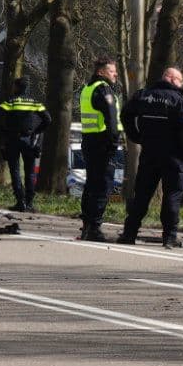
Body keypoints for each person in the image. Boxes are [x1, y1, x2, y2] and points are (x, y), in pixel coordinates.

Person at [119, 66, 183, 248]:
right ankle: (169, 237)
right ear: (171, 79)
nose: (181, 84)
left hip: (149, 153)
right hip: (173, 155)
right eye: (179, 80)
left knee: (142, 195)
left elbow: (125, 114)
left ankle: (130, 233)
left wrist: (135, 136)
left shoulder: (143, 95)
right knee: (173, 196)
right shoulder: (178, 101)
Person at [77, 58, 121, 242]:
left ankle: (87, 225)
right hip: (103, 143)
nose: (116, 74)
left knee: (91, 184)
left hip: (89, 140)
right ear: (102, 72)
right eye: (112, 71)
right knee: (103, 185)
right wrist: (113, 142)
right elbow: (111, 119)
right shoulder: (103, 90)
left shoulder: (87, 88)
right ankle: (94, 227)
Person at [0, 79, 50, 212]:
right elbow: (47, 119)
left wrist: (4, 132)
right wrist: (36, 131)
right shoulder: (34, 103)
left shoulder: (10, 102)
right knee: (30, 172)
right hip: (29, 140)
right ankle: (29, 202)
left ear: (17, 88)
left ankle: (20, 201)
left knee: (14, 171)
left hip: (13, 139)